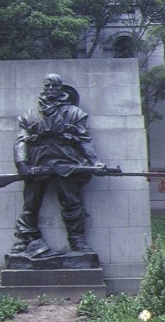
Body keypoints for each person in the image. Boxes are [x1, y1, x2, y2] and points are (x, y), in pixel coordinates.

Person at [11, 73, 104, 258]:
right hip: (36, 164)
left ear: (62, 89)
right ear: (44, 88)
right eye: (48, 86)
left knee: (72, 203)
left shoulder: (75, 113)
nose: (51, 89)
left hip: (66, 163)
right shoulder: (29, 115)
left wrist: (95, 162)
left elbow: (85, 140)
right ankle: (24, 240)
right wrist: (22, 163)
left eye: (55, 86)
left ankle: (77, 240)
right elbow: (21, 141)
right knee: (30, 205)